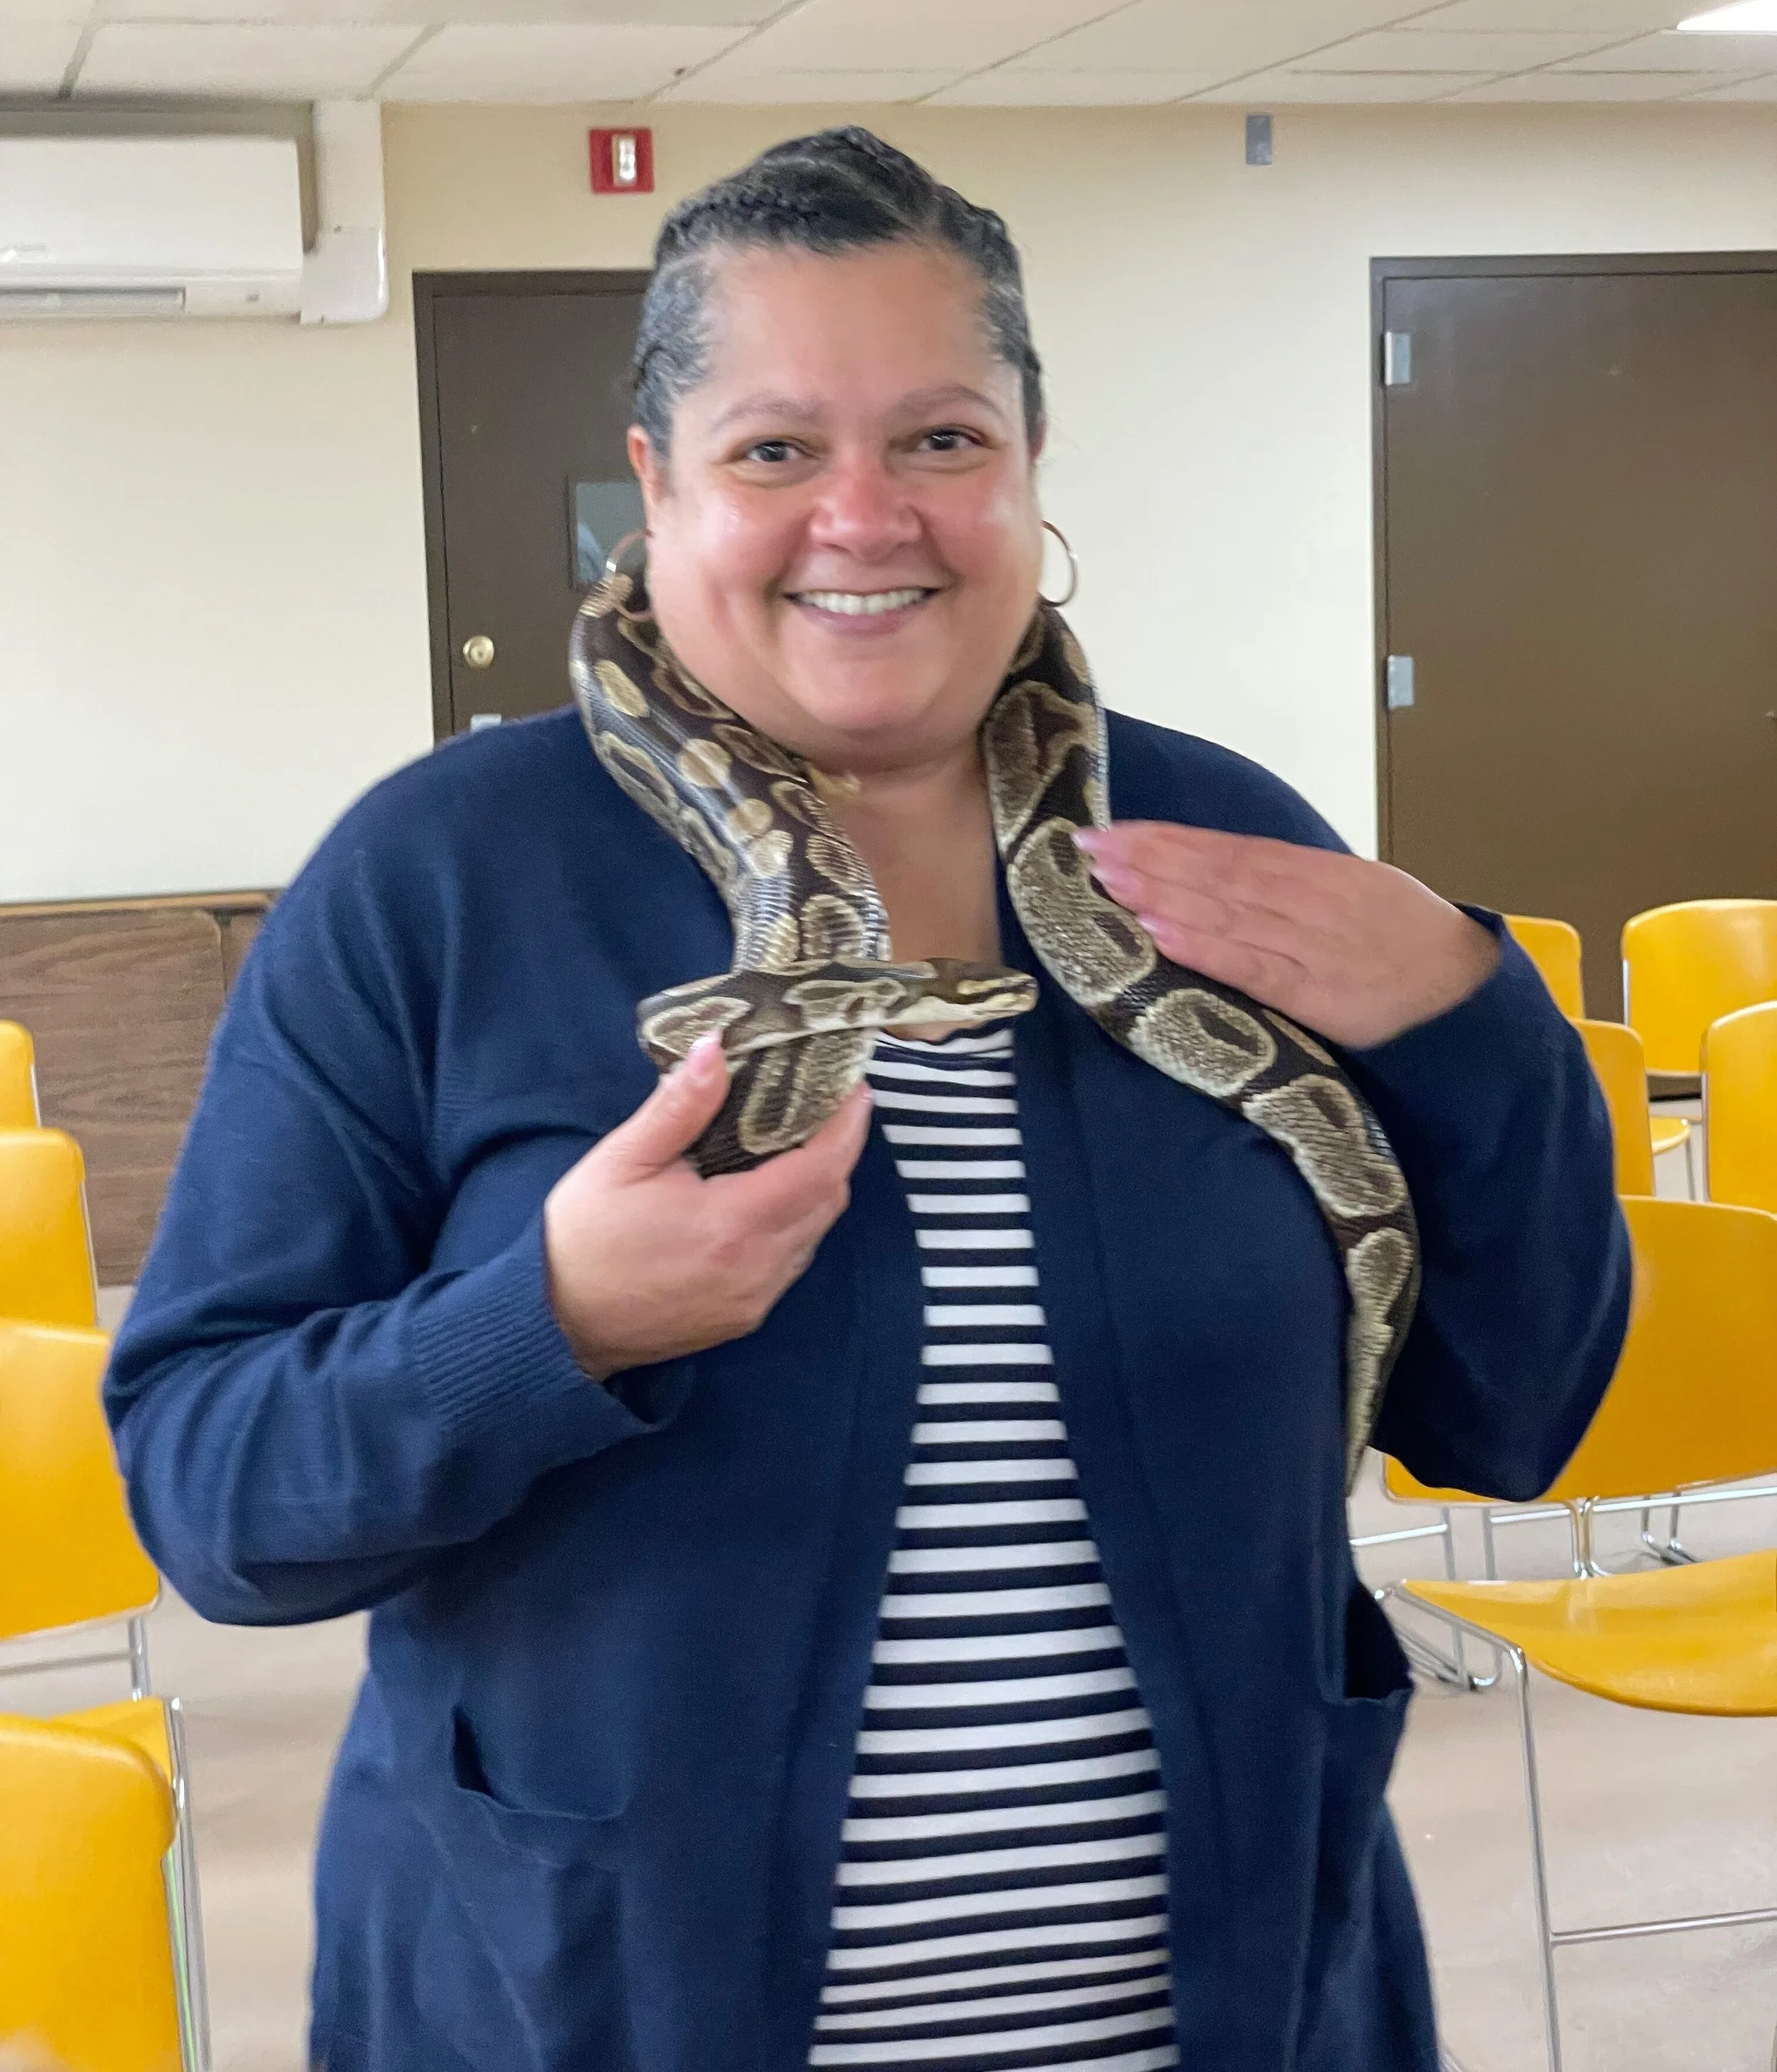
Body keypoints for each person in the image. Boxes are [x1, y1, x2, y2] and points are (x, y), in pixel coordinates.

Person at [106, 128, 1628, 2072]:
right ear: (652, 479)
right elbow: (219, 1501)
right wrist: (547, 1317)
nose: (865, 515)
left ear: (1026, 463)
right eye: (772, 449)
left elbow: (1516, 1417)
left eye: (938, 440)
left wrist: (1471, 1017)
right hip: (597, 2002)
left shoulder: (1220, 843)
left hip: (1234, 1995)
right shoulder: (442, 876)